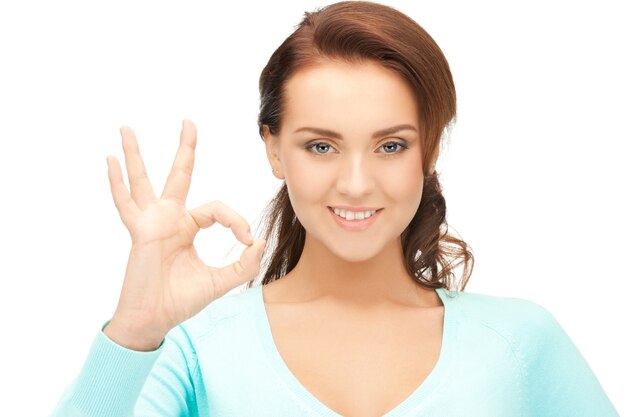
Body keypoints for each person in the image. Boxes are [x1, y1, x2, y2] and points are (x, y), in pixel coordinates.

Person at [50, 1, 618, 416]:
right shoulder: (198, 352)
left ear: (430, 150)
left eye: (390, 145)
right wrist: (135, 331)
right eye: (321, 146)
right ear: (273, 148)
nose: (355, 182)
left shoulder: (519, 344)